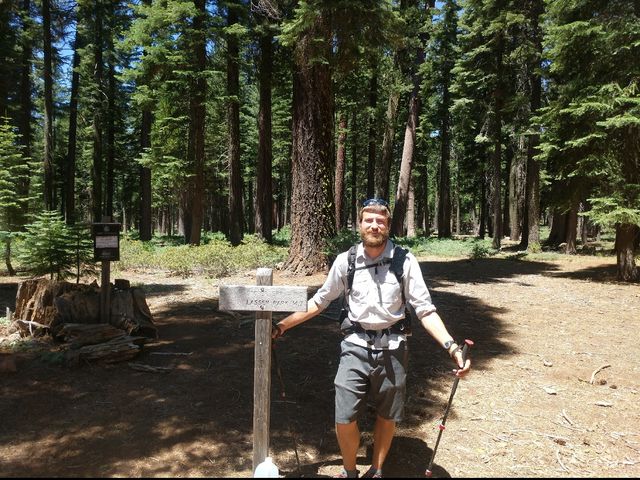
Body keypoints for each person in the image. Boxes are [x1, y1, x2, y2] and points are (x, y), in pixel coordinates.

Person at [272, 198, 471, 478]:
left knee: (387, 416)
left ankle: (377, 469)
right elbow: (319, 301)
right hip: (354, 347)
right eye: (369, 220)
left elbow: (425, 310)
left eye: (380, 220)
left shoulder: (405, 261)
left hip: (393, 349)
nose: (374, 225)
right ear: (360, 224)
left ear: (388, 225)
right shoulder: (346, 261)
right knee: (344, 417)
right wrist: (281, 326)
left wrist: (451, 346)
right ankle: (350, 471)